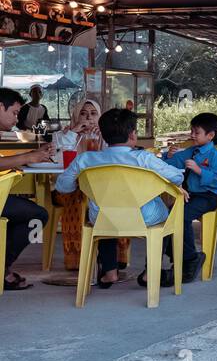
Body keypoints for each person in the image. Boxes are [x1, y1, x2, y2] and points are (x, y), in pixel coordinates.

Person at [54, 107, 185, 288]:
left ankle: (109, 272)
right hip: (145, 216)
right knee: (168, 215)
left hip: (102, 217)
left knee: (106, 213)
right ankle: (149, 272)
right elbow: (177, 176)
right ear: (132, 135)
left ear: (104, 135)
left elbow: (62, 186)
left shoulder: (85, 159)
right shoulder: (144, 158)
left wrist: (80, 184)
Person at [159, 112, 217, 284]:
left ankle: (189, 259)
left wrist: (199, 170)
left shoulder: (216, 157)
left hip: (208, 197)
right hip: (190, 195)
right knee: (170, 214)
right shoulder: (190, 151)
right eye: (192, 131)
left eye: (197, 132)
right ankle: (178, 256)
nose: (192, 135)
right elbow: (170, 165)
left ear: (210, 135)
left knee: (182, 216)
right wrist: (169, 156)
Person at [0, 87, 53, 289]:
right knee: (37, 216)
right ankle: (2, 268)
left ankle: (3, 267)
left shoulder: (7, 135)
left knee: (28, 214)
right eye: (14, 113)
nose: (16, 119)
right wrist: (29, 156)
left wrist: (36, 152)